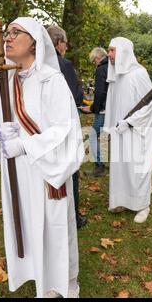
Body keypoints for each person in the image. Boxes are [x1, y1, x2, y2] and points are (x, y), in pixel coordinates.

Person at [0, 17, 84, 298]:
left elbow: (66, 130)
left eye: (16, 33)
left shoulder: (52, 81)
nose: (8, 38)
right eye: (7, 33)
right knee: (26, 223)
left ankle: (61, 283)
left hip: (45, 172)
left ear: (35, 42)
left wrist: (25, 146)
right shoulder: (5, 81)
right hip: (17, 172)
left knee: (52, 227)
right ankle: (36, 273)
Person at [103, 37, 152, 224]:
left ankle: (142, 205)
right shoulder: (116, 75)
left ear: (123, 51)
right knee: (121, 168)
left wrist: (130, 122)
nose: (109, 55)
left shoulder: (139, 73)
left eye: (112, 50)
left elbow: (149, 104)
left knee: (137, 169)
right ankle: (122, 200)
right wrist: (113, 125)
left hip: (136, 131)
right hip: (120, 131)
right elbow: (112, 103)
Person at [47, 25, 86, 229]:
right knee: (71, 171)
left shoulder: (37, 62)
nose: (66, 46)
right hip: (64, 125)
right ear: (58, 43)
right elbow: (75, 97)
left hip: (44, 128)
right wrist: (79, 89)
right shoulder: (63, 64)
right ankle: (73, 217)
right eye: (65, 42)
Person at [86, 47, 109, 176]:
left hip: (103, 109)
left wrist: (94, 108)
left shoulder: (101, 69)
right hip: (112, 108)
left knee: (93, 136)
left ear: (98, 57)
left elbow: (100, 92)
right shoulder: (112, 67)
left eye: (94, 60)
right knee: (106, 136)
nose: (94, 63)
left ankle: (99, 166)